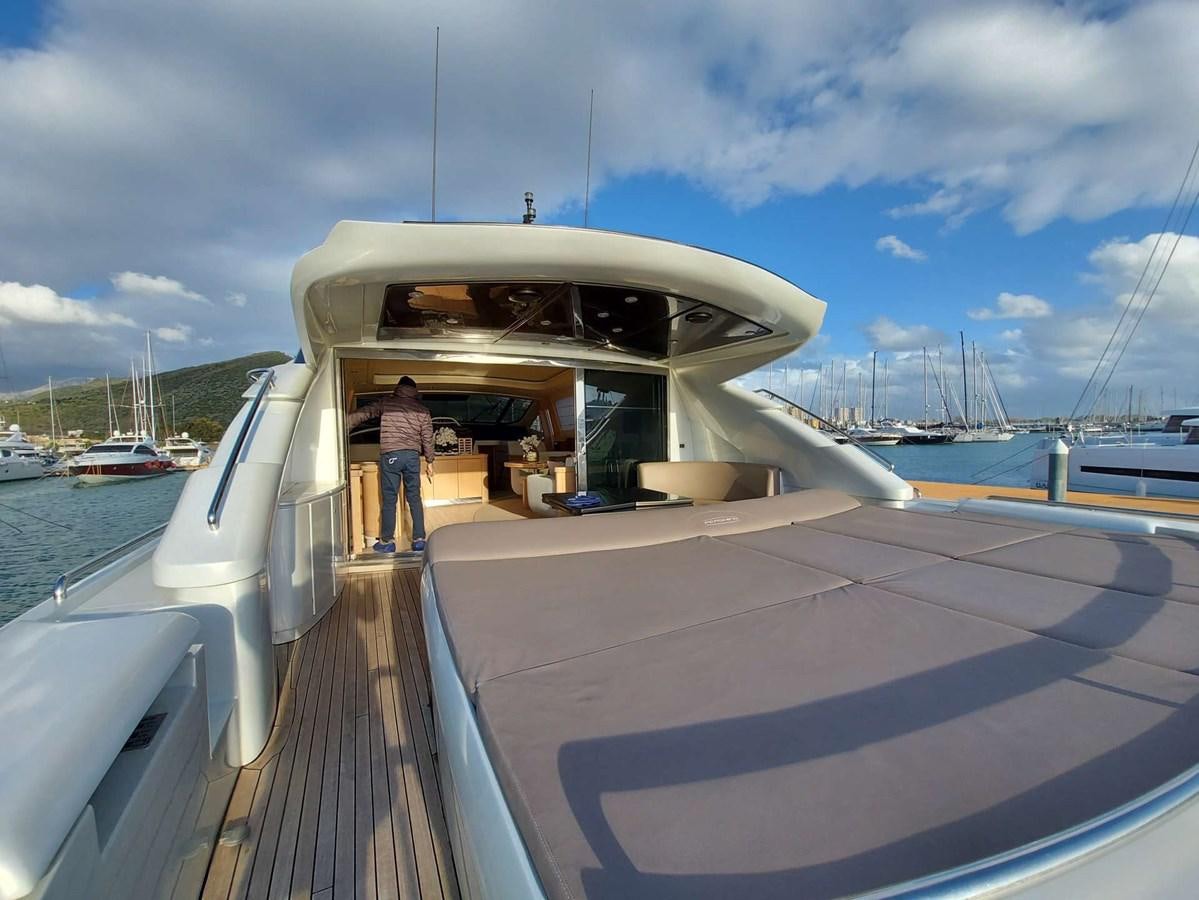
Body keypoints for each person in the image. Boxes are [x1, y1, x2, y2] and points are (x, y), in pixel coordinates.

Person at [346, 376, 434, 552]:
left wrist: (343, 423)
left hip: (391, 455)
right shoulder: (422, 410)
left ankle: (387, 542)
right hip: (412, 456)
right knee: (414, 497)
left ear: (398, 388)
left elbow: (365, 413)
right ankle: (419, 540)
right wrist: (430, 461)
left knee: (389, 499)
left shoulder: (387, 403)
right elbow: (428, 437)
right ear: (414, 390)